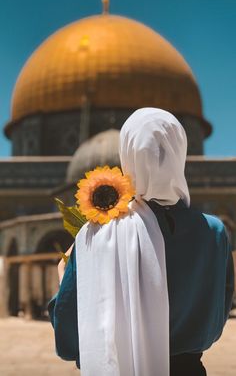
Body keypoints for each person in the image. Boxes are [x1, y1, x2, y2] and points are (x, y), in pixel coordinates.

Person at [48, 107, 234, 376]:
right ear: (180, 152)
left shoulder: (100, 235)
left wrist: (63, 277)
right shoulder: (214, 232)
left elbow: (68, 339)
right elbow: (217, 319)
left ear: (128, 156)